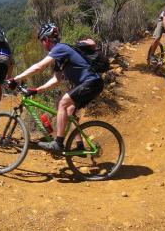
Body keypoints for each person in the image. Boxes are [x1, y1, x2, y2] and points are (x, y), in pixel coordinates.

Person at [7, 23, 104, 152]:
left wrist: (15, 79)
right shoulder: (60, 57)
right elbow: (56, 80)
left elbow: (39, 67)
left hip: (91, 82)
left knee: (63, 102)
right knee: (65, 106)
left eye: (42, 41)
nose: (43, 44)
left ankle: (58, 143)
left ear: (46, 39)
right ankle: (79, 145)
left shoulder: (60, 48)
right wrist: (36, 89)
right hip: (91, 83)